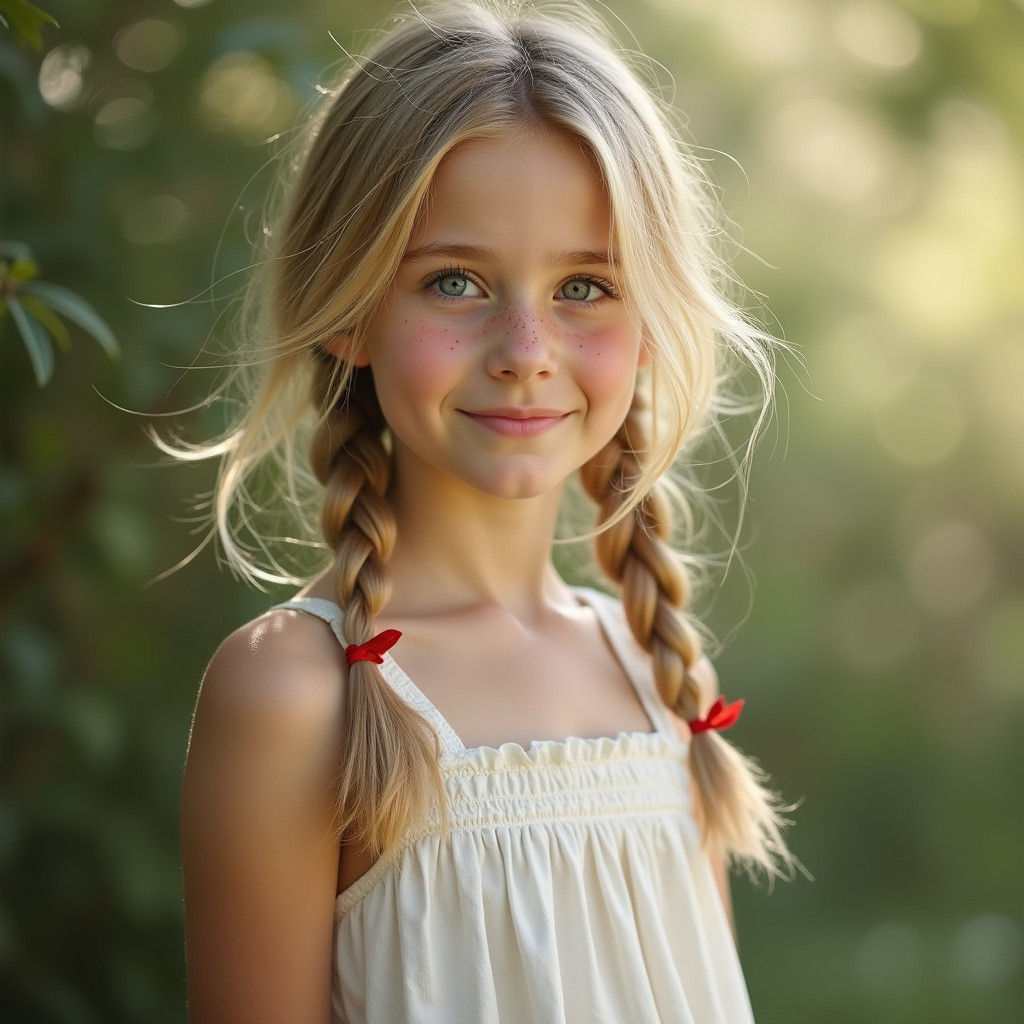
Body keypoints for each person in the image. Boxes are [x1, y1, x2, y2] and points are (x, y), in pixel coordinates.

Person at [174, 0, 805, 1020]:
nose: (525, 351)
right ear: (349, 309)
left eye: (585, 287)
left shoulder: (660, 674)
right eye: (456, 281)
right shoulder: (296, 695)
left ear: (652, 319)